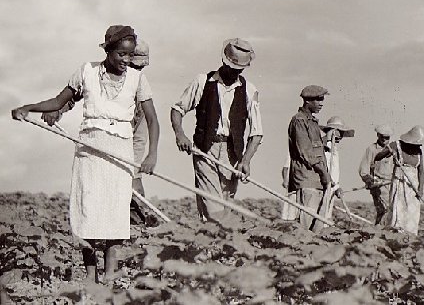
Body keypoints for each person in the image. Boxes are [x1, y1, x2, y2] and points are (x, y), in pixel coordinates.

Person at [11, 25, 160, 283]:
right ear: (108, 50)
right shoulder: (87, 71)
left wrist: (151, 156)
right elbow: (59, 101)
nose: (126, 60)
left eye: (130, 55)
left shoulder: (137, 79)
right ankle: (90, 275)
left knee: (115, 212)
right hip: (90, 149)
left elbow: (153, 120)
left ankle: (110, 274)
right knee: (87, 209)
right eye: (121, 54)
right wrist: (28, 107)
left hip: (120, 150)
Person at [171, 38, 262, 223]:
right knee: (213, 207)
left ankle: (216, 249)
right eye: (232, 67)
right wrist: (180, 134)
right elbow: (177, 110)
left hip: (232, 153)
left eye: (240, 69)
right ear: (224, 61)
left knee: (226, 207)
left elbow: (256, 132)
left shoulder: (249, 90)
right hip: (205, 149)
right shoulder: (202, 81)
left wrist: (246, 160)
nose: (235, 72)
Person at [288, 85, 331, 232]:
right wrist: (323, 173)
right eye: (318, 100)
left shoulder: (312, 122)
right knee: (305, 226)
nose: (321, 103)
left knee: (317, 227)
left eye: (322, 100)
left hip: (317, 179)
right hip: (307, 178)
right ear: (307, 101)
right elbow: (306, 152)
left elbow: (315, 148)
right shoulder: (299, 121)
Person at [375, 125, 424, 235]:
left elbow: (421, 170)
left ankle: (410, 236)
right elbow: (378, 157)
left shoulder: (419, 151)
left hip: (413, 187)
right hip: (399, 184)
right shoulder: (396, 145)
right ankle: (395, 235)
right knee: (397, 211)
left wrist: (421, 188)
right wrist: (389, 152)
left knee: (411, 214)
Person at [127, 39, 156, 226]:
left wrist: (136, 170)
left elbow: (140, 133)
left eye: (140, 68)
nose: (136, 71)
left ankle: (139, 227)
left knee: (136, 188)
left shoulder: (141, 87)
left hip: (131, 144)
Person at [320, 115, 355, 221]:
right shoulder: (322, 145)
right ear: (333, 131)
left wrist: (336, 187)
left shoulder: (334, 147)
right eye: (340, 132)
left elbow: (334, 172)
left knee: (326, 217)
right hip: (321, 187)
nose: (342, 136)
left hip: (331, 188)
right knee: (319, 217)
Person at [359, 124, 394, 224]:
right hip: (378, 185)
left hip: (391, 185)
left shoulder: (393, 150)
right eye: (382, 137)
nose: (384, 140)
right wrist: (370, 181)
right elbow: (364, 170)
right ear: (378, 135)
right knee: (384, 210)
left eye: (387, 137)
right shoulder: (371, 149)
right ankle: (380, 233)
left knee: (391, 211)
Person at [280, 154, 299, 221]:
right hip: (291, 182)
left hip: (298, 182)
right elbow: (285, 168)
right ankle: (288, 219)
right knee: (290, 200)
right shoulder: (291, 155)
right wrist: (285, 180)